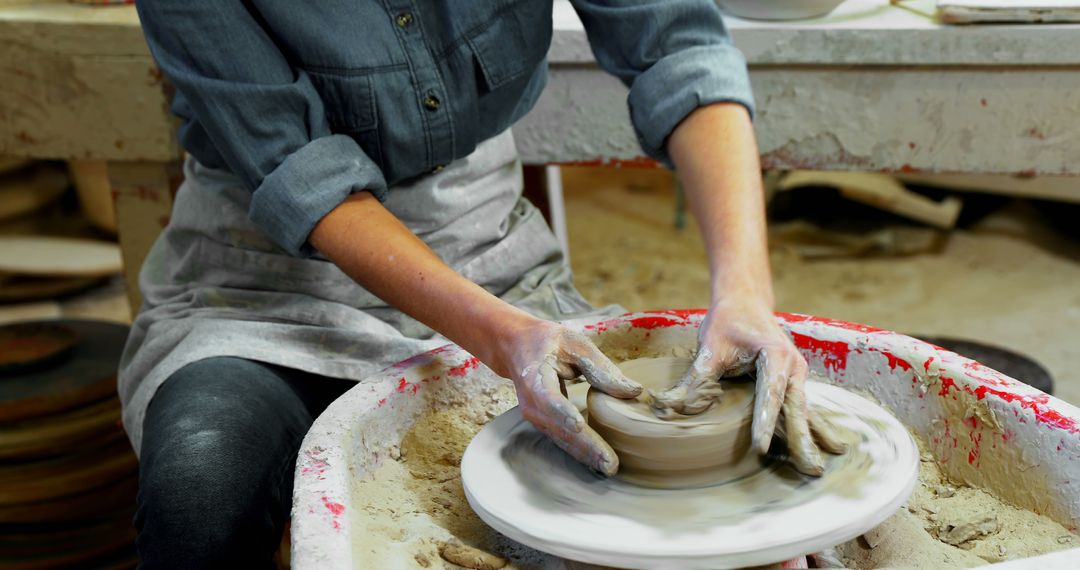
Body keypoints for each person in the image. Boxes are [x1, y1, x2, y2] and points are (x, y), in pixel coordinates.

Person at [124, 0, 841, 566]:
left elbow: (678, 47)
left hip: (491, 256)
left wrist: (745, 293)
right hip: (268, 285)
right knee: (200, 495)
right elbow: (301, 174)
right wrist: (502, 338)